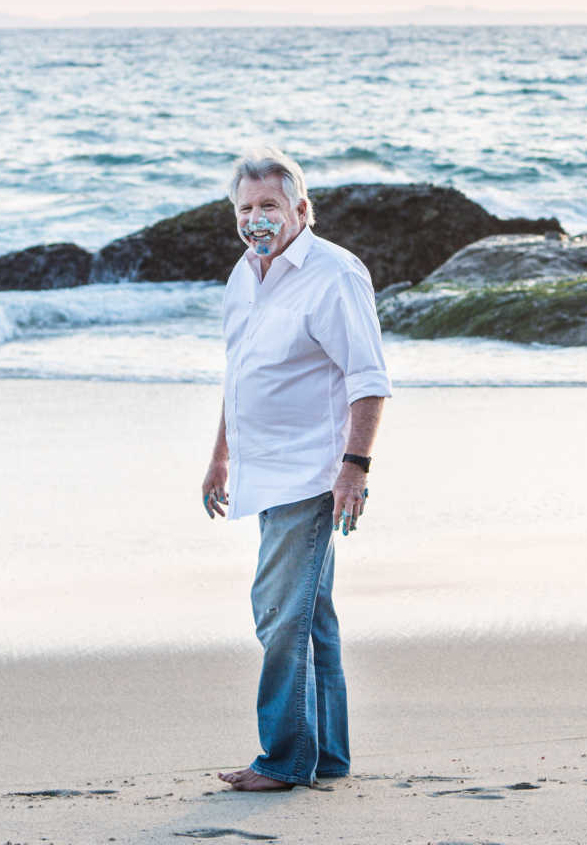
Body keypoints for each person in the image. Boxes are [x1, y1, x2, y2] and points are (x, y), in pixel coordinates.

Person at [201, 146, 390, 792]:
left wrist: (354, 469)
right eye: (246, 208)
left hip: (311, 473)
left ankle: (283, 760)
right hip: (262, 469)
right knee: (310, 615)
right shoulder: (245, 271)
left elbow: (368, 379)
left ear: (301, 209)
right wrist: (220, 454)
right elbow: (241, 370)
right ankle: (326, 754)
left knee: (279, 614)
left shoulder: (334, 275)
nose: (257, 218)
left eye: (269, 206)